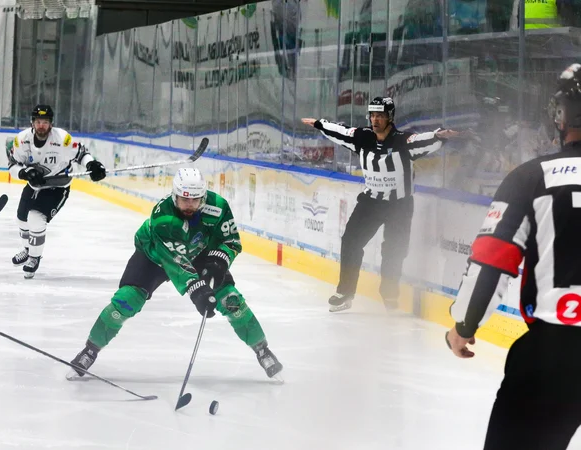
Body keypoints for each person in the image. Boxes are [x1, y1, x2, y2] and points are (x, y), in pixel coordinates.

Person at [447, 62, 581, 450]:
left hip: (553, 357)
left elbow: (492, 259)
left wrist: (465, 326)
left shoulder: (531, 177)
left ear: (561, 114)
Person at [66, 168, 283, 380]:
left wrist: (219, 259)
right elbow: (176, 263)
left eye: (195, 200)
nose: (189, 205)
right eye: (184, 200)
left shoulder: (218, 207)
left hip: (198, 253)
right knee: (126, 301)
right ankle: (90, 349)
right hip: (155, 257)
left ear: (203, 197)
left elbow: (231, 241)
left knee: (231, 300)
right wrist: (198, 291)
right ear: (174, 195)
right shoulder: (163, 218)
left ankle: (262, 350)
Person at [302, 97, 459, 312]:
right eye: (373, 115)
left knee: (394, 250)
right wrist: (320, 123)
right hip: (371, 202)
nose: (375, 120)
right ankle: (345, 292)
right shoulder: (362, 137)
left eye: (380, 116)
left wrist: (438, 136)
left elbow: (420, 140)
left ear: (390, 117)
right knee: (350, 241)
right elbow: (341, 132)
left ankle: (389, 293)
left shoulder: (402, 141)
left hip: (400, 206)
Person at [7, 104, 107, 278]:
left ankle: (34, 258)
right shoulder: (22, 140)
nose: (41, 126)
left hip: (57, 186)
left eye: (45, 122)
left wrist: (92, 164)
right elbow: (13, 165)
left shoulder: (62, 139)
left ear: (51, 124)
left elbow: (81, 154)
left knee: (36, 217)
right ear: (32, 123)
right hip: (35, 185)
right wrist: (24, 173)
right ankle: (28, 248)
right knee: (22, 218)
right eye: (38, 122)